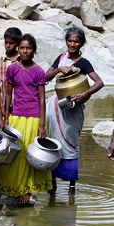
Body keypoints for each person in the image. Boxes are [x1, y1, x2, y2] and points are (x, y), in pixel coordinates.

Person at [0, 34, 52, 205]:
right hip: (15, 117)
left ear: (34, 51)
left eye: (28, 48)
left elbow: (42, 99)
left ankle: (26, 191)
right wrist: (5, 117)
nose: (25, 51)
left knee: (29, 156)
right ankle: (10, 187)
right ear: (18, 49)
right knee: (14, 154)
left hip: (34, 118)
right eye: (22, 48)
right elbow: (8, 94)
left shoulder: (39, 72)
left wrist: (42, 125)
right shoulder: (12, 69)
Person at [45, 27, 104, 195]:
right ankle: (52, 183)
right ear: (66, 42)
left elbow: (99, 83)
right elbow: (44, 77)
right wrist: (58, 70)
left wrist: (84, 94)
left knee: (71, 144)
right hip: (55, 107)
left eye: (76, 41)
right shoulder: (61, 58)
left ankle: (72, 187)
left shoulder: (84, 63)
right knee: (53, 143)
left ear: (81, 44)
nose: (72, 44)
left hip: (73, 109)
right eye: (69, 41)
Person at [0, 27, 22, 118]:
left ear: (18, 44)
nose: (8, 45)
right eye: (6, 42)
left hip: (19, 104)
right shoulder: (1, 61)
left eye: (11, 43)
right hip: (4, 105)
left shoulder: (22, 60)